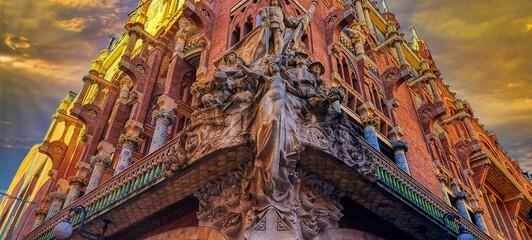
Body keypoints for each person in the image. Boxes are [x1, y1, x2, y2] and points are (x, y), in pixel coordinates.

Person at [237, 58, 301, 210]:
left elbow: (297, 92)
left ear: (279, 67)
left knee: (274, 122)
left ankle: (272, 161)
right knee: (265, 123)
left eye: (274, 65)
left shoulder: (284, 82)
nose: (272, 67)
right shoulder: (268, 79)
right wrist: (241, 66)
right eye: (270, 66)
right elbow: (253, 74)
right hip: (268, 97)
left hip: (281, 98)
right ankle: (261, 156)